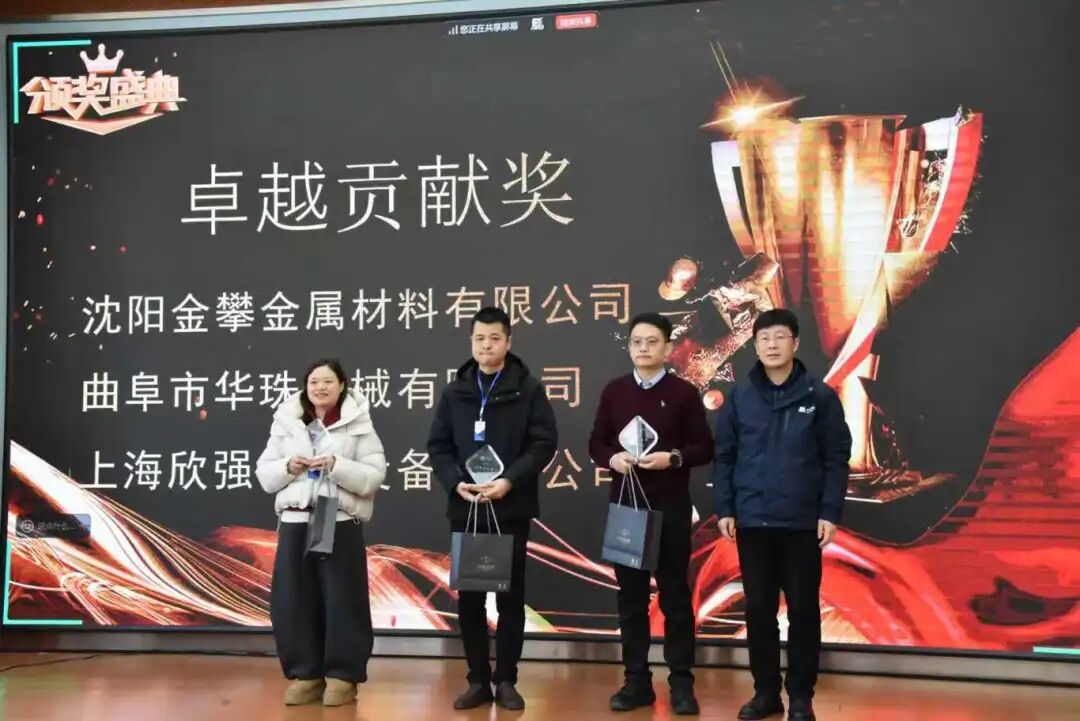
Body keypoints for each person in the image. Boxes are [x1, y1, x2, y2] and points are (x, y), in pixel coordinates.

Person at [711, 309, 852, 721]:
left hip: (801, 523)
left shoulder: (819, 396)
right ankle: (766, 693)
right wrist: (725, 507)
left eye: (779, 337)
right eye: (764, 339)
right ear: (755, 346)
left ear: (795, 343)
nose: (772, 345)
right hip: (753, 522)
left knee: (804, 611)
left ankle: (801, 697)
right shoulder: (740, 397)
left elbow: (836, 457)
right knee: (759, 611)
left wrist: (829, 511)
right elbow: (725, 456)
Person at [427, 306, 558, 711]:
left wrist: (509, 481)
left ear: (508, 342)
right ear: (471, 342)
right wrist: (456, 483)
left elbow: (543, 443)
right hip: (466, 507)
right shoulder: (455, 391)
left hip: (509, 507)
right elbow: (438, 446)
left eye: (494, 338)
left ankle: (507, 681)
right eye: (480, 338)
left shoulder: (527, 389)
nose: (487, 345)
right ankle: (477, 680)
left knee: (509, 598)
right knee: (469, 599)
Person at [589, 312, 714, 715]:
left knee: (675, 595)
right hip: (627, 508)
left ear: (668, 347)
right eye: (637, 342)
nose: (643, 348)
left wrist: (672, 458)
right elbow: (596, 443)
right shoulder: (614, 391)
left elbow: (704, 448)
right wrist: (613, 459)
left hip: (671, 507)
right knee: (631, 599)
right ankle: (636, 681)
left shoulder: (683, 393)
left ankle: (681, 683)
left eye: (652, 342)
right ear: (629, 347)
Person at [255, 358, 387, 707]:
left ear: (342, 385)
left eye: (328, 381)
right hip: (296, 521)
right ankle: (306, 674)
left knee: (343, 598)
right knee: (294, 599)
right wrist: (289, 466)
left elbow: (374, 475)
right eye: (314, 381)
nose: (320, 387)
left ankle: (343, 675)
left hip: (338, 520)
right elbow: (265, 474)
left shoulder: (358, 423)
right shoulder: (287, 421)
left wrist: (337, 466)